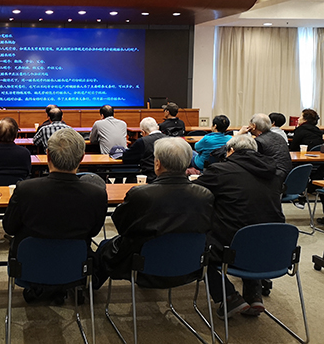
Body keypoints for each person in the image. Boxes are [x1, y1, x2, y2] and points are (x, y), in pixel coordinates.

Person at [3, 127, 107, 302]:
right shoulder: (97, 194)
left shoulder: (26, 190)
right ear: (82, 158)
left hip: (29, 266)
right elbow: (94, 231)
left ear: (48, 156)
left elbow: (9, 227)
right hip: (74, 266)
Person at [98, 138, 213, 287]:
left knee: (105, 246)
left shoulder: (141, 194)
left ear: (157, 164)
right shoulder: (205, 195)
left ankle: (89, 287)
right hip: (188, 266)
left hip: (141, 265)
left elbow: (122, 227)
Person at [194, 134, 285, 318]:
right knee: (251, 234)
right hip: (273, 246)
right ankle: (253, 295)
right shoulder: (274, 173)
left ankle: (229, 297)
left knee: (196, 248)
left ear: (231, 151)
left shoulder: (221, 170)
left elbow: (195, 192)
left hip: (233, 246)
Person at [0, 117, 31, 245]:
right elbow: (27, 173)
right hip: (16, 196)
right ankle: (13, 230)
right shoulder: (24, 153)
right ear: (16, 134)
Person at [238, 113, 291, 183]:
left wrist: (239, 134)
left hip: (273, 178)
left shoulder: (259, 141)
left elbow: (247, 159)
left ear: (254, 126)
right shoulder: (279, 136)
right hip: (287, 176)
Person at [119, 117, 165, 183]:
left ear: (143, 132)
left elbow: (126, 157)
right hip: (168, 178)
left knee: (130, 178)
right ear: (157, 128)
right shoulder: (169, 139)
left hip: (148, 179)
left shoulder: (142, 141)